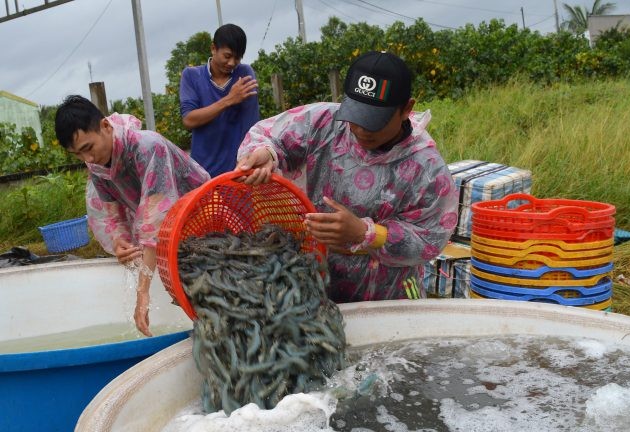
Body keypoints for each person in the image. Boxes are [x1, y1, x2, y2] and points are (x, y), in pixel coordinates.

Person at [236, 50, 459, 303]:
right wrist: (267, 153)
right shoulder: (324, 123)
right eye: (356, 115)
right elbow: (269, 135)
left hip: (388, 296)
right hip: (315, 281)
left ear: (406, 109)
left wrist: (366, 234)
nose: (361, 129)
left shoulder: (426, 168)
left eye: (374, 120)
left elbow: (429, 239)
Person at [55, 95, 210, 336]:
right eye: (77, 154)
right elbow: (112, 216)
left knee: (209, 285)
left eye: (88, 148)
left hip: (205, 216)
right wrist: (119, 242)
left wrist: (143, 291)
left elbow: (154, 220)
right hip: (171, 231)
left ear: (106, 126)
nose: (88, 159)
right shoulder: (98, 168)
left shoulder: (147, 146)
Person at [179, 23, 260, 177]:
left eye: (237, 58)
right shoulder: (191, 76)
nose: (231, 63)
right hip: (202, 173)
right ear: (213, 48)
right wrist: (229, 99)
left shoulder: (244, 74)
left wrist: (245, 164)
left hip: (239, 171)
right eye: (227, 56)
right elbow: (189, 120)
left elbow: (251, 126)